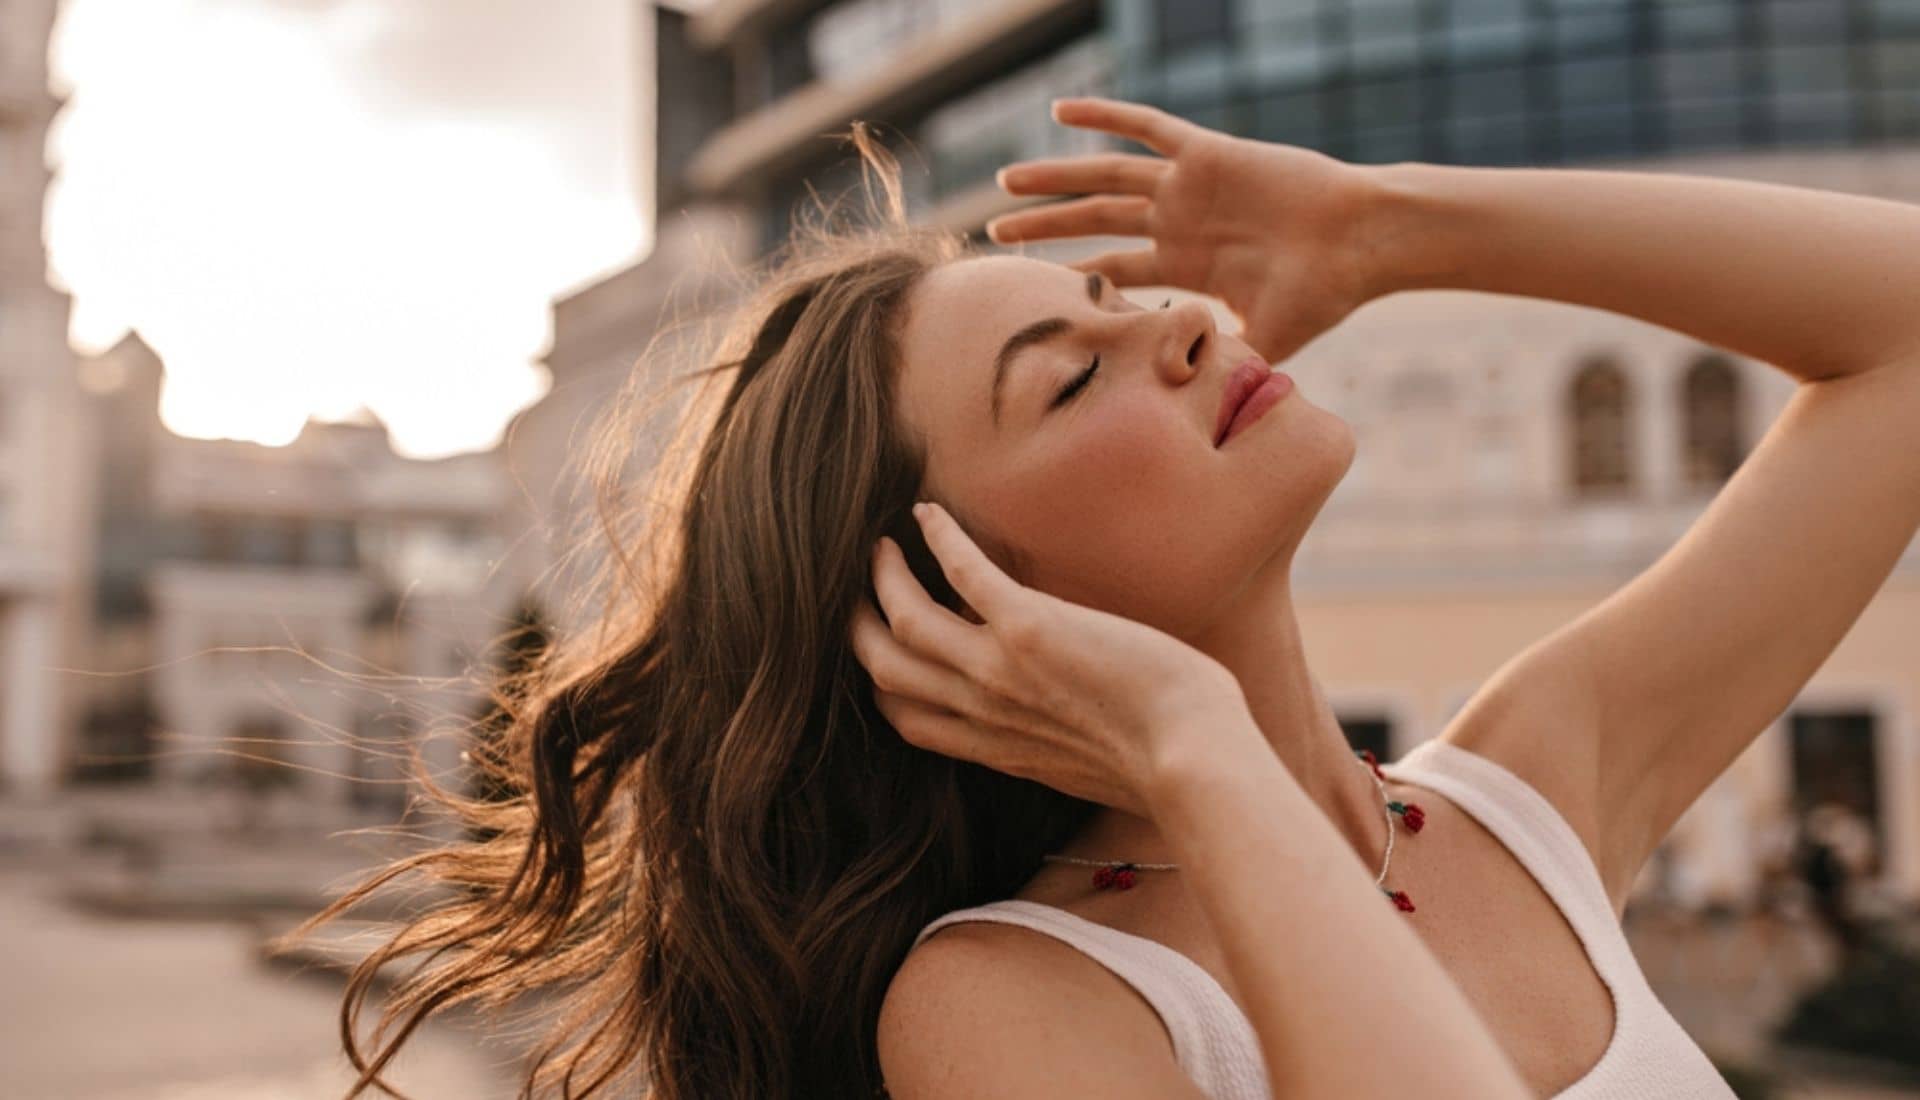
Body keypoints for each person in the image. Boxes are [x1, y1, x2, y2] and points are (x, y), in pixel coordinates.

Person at [282, 97, 1920, 1099]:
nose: (1186, 326)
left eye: (1120, 299)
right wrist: (1191, 751)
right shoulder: (1012, 1009)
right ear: (962, 592)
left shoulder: (1520, 798)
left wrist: (1384, 222)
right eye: (1069, 379)